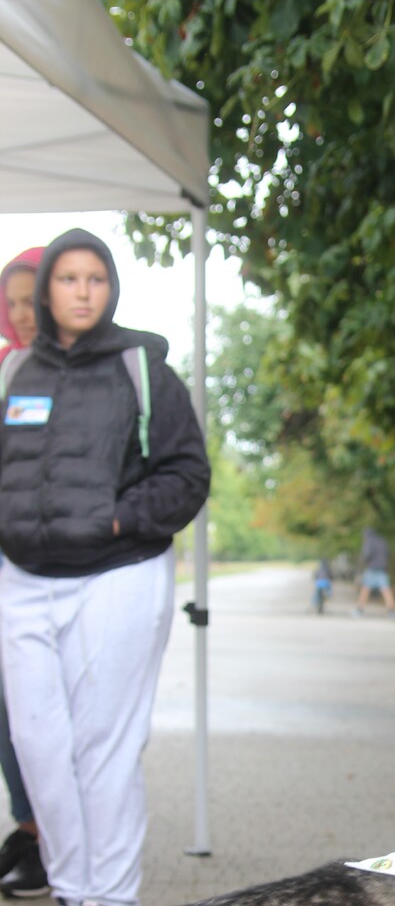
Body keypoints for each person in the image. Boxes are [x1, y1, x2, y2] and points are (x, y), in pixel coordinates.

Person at [0, 229, 211, 906]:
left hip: (119, 573)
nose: (82, 292)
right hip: (23, 578)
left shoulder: (144, 368)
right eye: (68, 279)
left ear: (112, 288)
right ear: (46, 291)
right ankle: (70, 887)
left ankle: (109, 897)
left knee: (105, 751)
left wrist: (117, 519)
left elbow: (187, 475)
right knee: (37, 746)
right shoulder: (13, 373)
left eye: (96, 279)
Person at [0, 248, 48, 898]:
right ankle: (31, 827)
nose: (19, 314)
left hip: (53, 561)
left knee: (36, 700)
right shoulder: (7, 367)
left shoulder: (92, 369)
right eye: (10, 303)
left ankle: (47, 837)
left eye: (28, 300)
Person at [353, 527, 395, 616]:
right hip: (382, 568)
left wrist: (362, 563)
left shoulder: (369, 541)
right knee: (386, 589)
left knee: (365, 589)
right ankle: (391, 611)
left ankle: (359, 610)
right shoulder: (383, 541)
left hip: (372, 568)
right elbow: (388, 554)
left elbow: (367, 554)